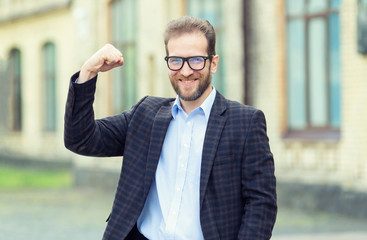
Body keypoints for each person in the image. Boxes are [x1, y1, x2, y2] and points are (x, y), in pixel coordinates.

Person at [64, 16, 277, 240]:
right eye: (176, 60)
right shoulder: (145, 115)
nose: (185, 71)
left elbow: (261, 205)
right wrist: (88, 72)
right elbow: (80, 139)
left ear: (213, 63)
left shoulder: (245, 122)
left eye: (196, 60)